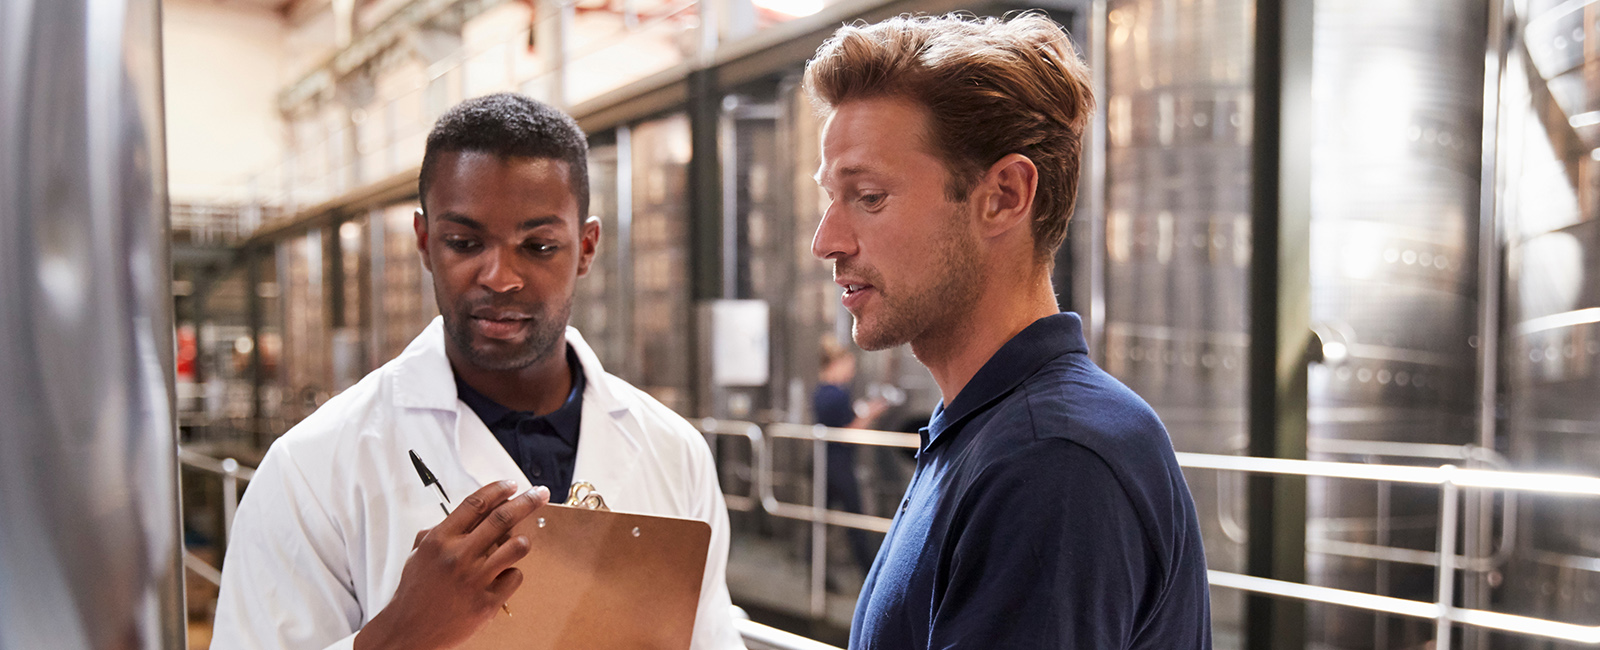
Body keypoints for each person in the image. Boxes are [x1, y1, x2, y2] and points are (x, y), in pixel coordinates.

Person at [211, 93, 744, 650]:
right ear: (425, 243)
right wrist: (400, 634)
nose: (500, 277)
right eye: (464, 243)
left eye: (539, 246)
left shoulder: (674, 452)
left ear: (586, 248)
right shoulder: (313, 469)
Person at [805, 13, 1211, 649]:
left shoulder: (1053, 461)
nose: (826, 240)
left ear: (1003, 195)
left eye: (870, 196)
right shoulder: (985, 431)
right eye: (830, 197)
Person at [813, 337, 886, 576]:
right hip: (839, 466)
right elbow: (846, 434)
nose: (851, 372)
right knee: (856, 521)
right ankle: (870, 574)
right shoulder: (837, 394)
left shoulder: (822, 392)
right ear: (837, 364)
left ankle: (816, 573)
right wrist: (870, 414)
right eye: (849, 366)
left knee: (819, 520)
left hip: (825, 464)